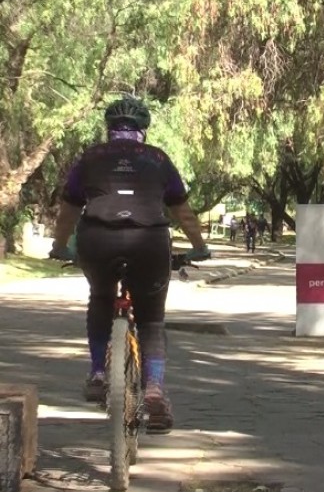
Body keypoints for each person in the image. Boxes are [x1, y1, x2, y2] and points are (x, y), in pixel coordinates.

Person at [49, 95, 211, 433]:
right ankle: (153, 389)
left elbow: (68, 210)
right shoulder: (158, 159)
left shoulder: (90, 157)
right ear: (144, 130)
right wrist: (199, 248)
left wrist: (60, 246)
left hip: (98, 240)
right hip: (149, 242)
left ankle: (96, 373)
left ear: (109, 129)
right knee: (151, 320)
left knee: (101, 297)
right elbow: (182, 212)